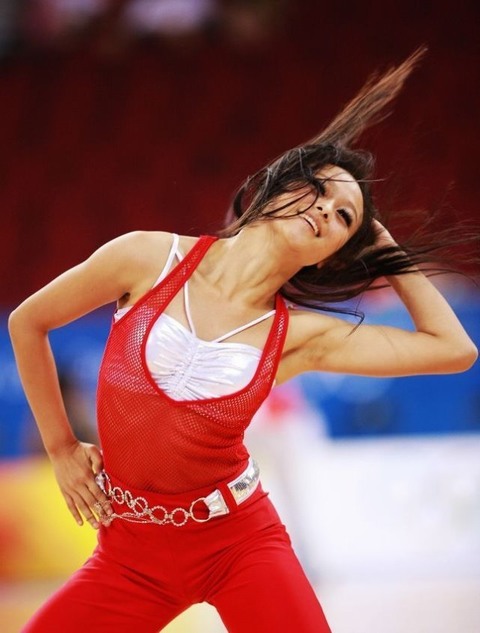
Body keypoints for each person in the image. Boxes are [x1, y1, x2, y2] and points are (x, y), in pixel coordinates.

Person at [9, 47, 478, 633]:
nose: (326, 211)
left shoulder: (301, 337)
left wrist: (385, 247)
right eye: (320, 190)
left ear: (336, 251)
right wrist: (60, 447)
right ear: (277, 185)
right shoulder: (146, 257)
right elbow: (28, 322)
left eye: (344, 218)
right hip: (130, 555)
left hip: (239, 544)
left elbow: (454, 349)